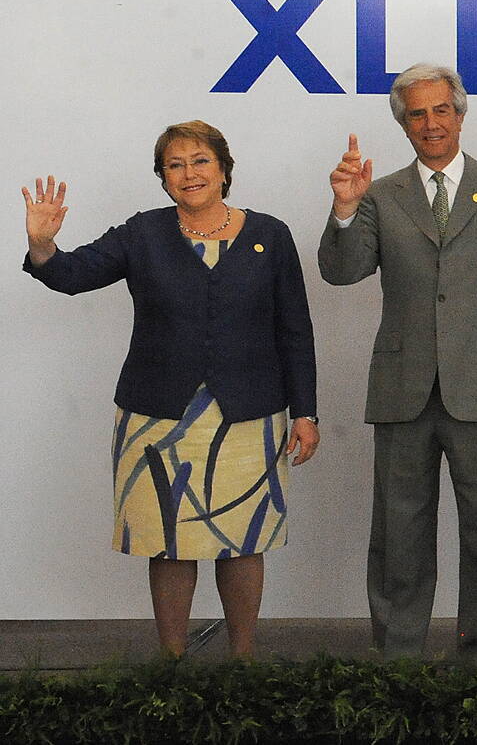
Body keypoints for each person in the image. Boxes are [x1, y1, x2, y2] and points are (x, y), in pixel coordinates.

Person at [22, 121, 318, 657]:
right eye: (175, 165)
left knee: (243, 542)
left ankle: (243, 660)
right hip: (156, 414)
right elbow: (70, 275)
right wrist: (43, 244)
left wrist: (307, 413)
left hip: (249, 415)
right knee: (168, 541)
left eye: (200, 161)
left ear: (224, 169)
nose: (189, 173)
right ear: (162, 179)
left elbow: (294, 329)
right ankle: (172, 663)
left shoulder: (269, 234)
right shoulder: (143, 233)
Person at [317, 63, 477, 659]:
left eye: (440, 110)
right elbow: (342, 272)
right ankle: (398, 657)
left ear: (461, 114)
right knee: (399, 536)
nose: (430, 123)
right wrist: (344, 209)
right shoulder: (379, 194)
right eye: (416, 114)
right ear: (403, 124)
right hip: (402, 390)